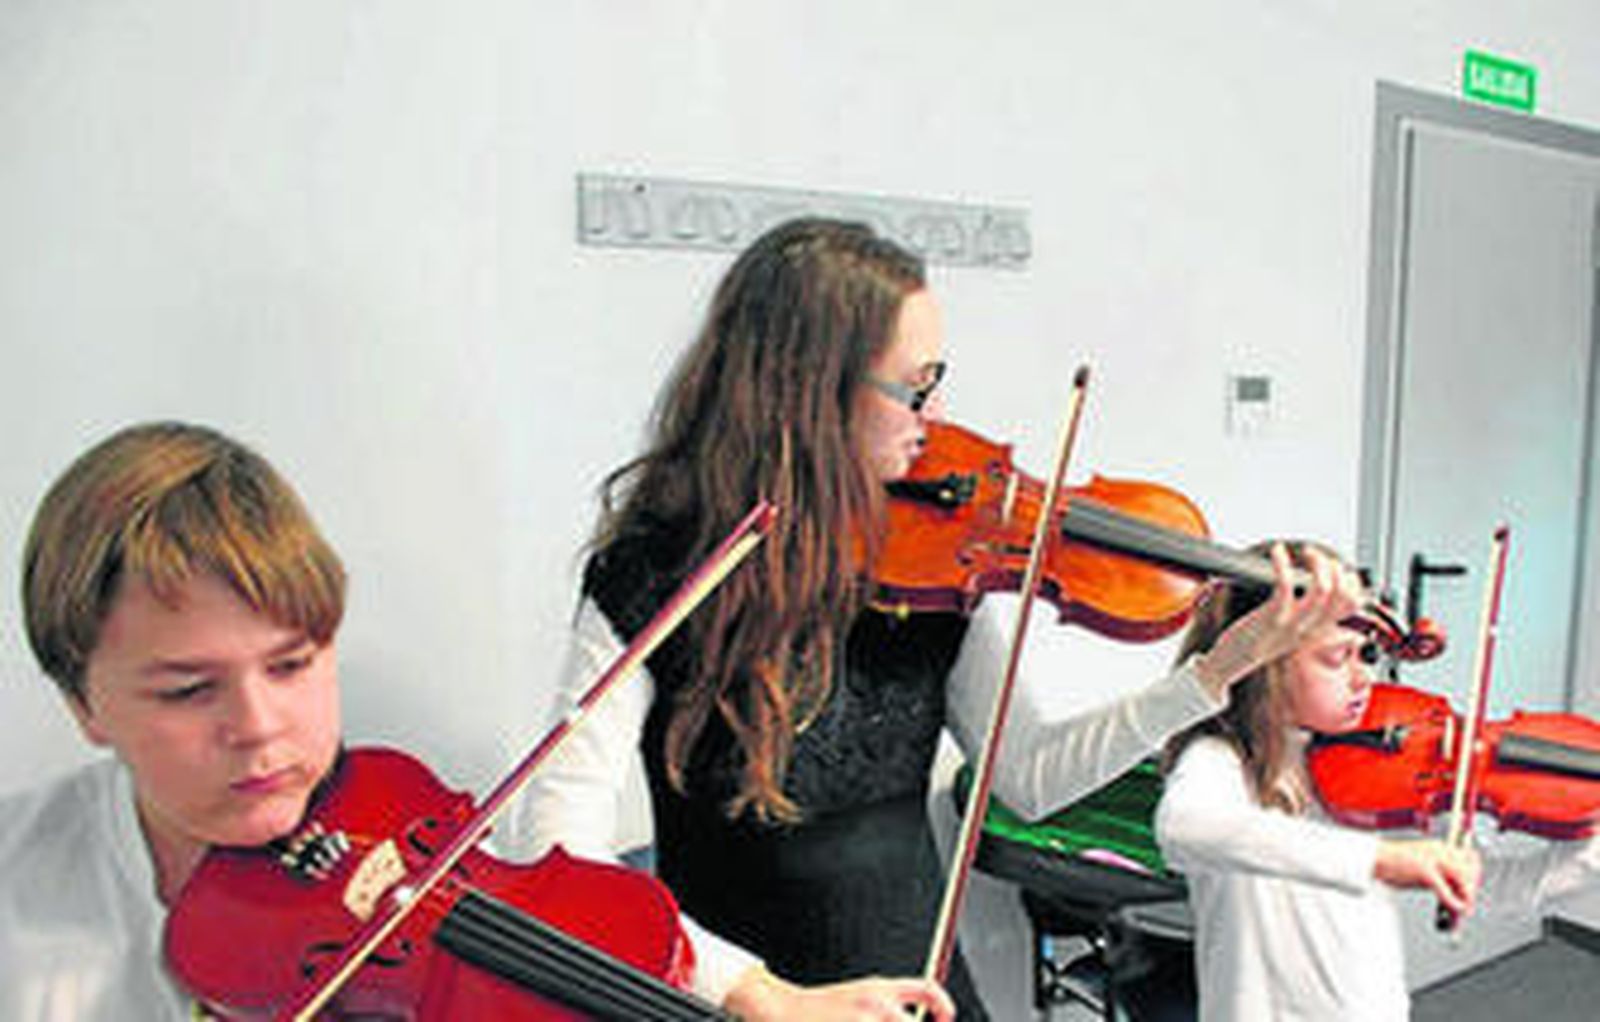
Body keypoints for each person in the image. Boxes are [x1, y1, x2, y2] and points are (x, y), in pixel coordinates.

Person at [510, 217, 1366, 1018]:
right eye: (915, 389)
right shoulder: (657, 573)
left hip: (922, 997)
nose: (937, 420)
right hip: (739, 1007)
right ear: (809, 392)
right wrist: (764, 995)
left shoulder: (924, 567)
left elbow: (1028, 776)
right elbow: (556, 843)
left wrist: (1214, 674)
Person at [0, 421, 947, 1022]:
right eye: (186, 691)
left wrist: (767, 997)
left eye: (291, 666)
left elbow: (561, 909)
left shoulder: (390, 810)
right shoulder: (22, 910)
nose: (259, 726)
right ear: (83, 704)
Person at [1155, 539, 1600, 1022]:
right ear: (1264, 665)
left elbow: (1497, 886)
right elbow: (1185, 828)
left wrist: (1591, 855)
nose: (1363, 677)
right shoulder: (1220, 760)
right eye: (1336, 658)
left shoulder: (1391, 763)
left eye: (1365, 654)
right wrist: (1382, 859)